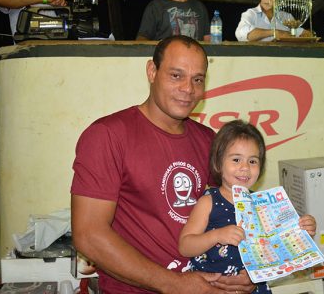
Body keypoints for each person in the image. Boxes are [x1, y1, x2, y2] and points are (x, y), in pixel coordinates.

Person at [70, 35, 255, 294]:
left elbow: (231, 212)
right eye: (176, 75)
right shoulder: (107, 135)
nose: (188, 89)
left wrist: (252, 270)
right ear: (152, 71)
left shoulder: (208, 140)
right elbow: (89, 235)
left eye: (197, 79)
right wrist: (176, 285)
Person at [178, 120, 317, 294]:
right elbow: (185, 246)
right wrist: (216, 235)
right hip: (212, 288)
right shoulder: (208, 202)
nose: (245, 168)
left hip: (255, 289)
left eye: (252, 161)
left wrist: (302, 231)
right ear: (218, 164)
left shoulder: (263, 204)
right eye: (236, 159)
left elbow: (279, 247)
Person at [235, 0, 313, 41]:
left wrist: (307, 34)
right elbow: (241, 35)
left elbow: (299, 32)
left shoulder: (287, 16)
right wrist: (275, 32)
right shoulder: (251, 14)